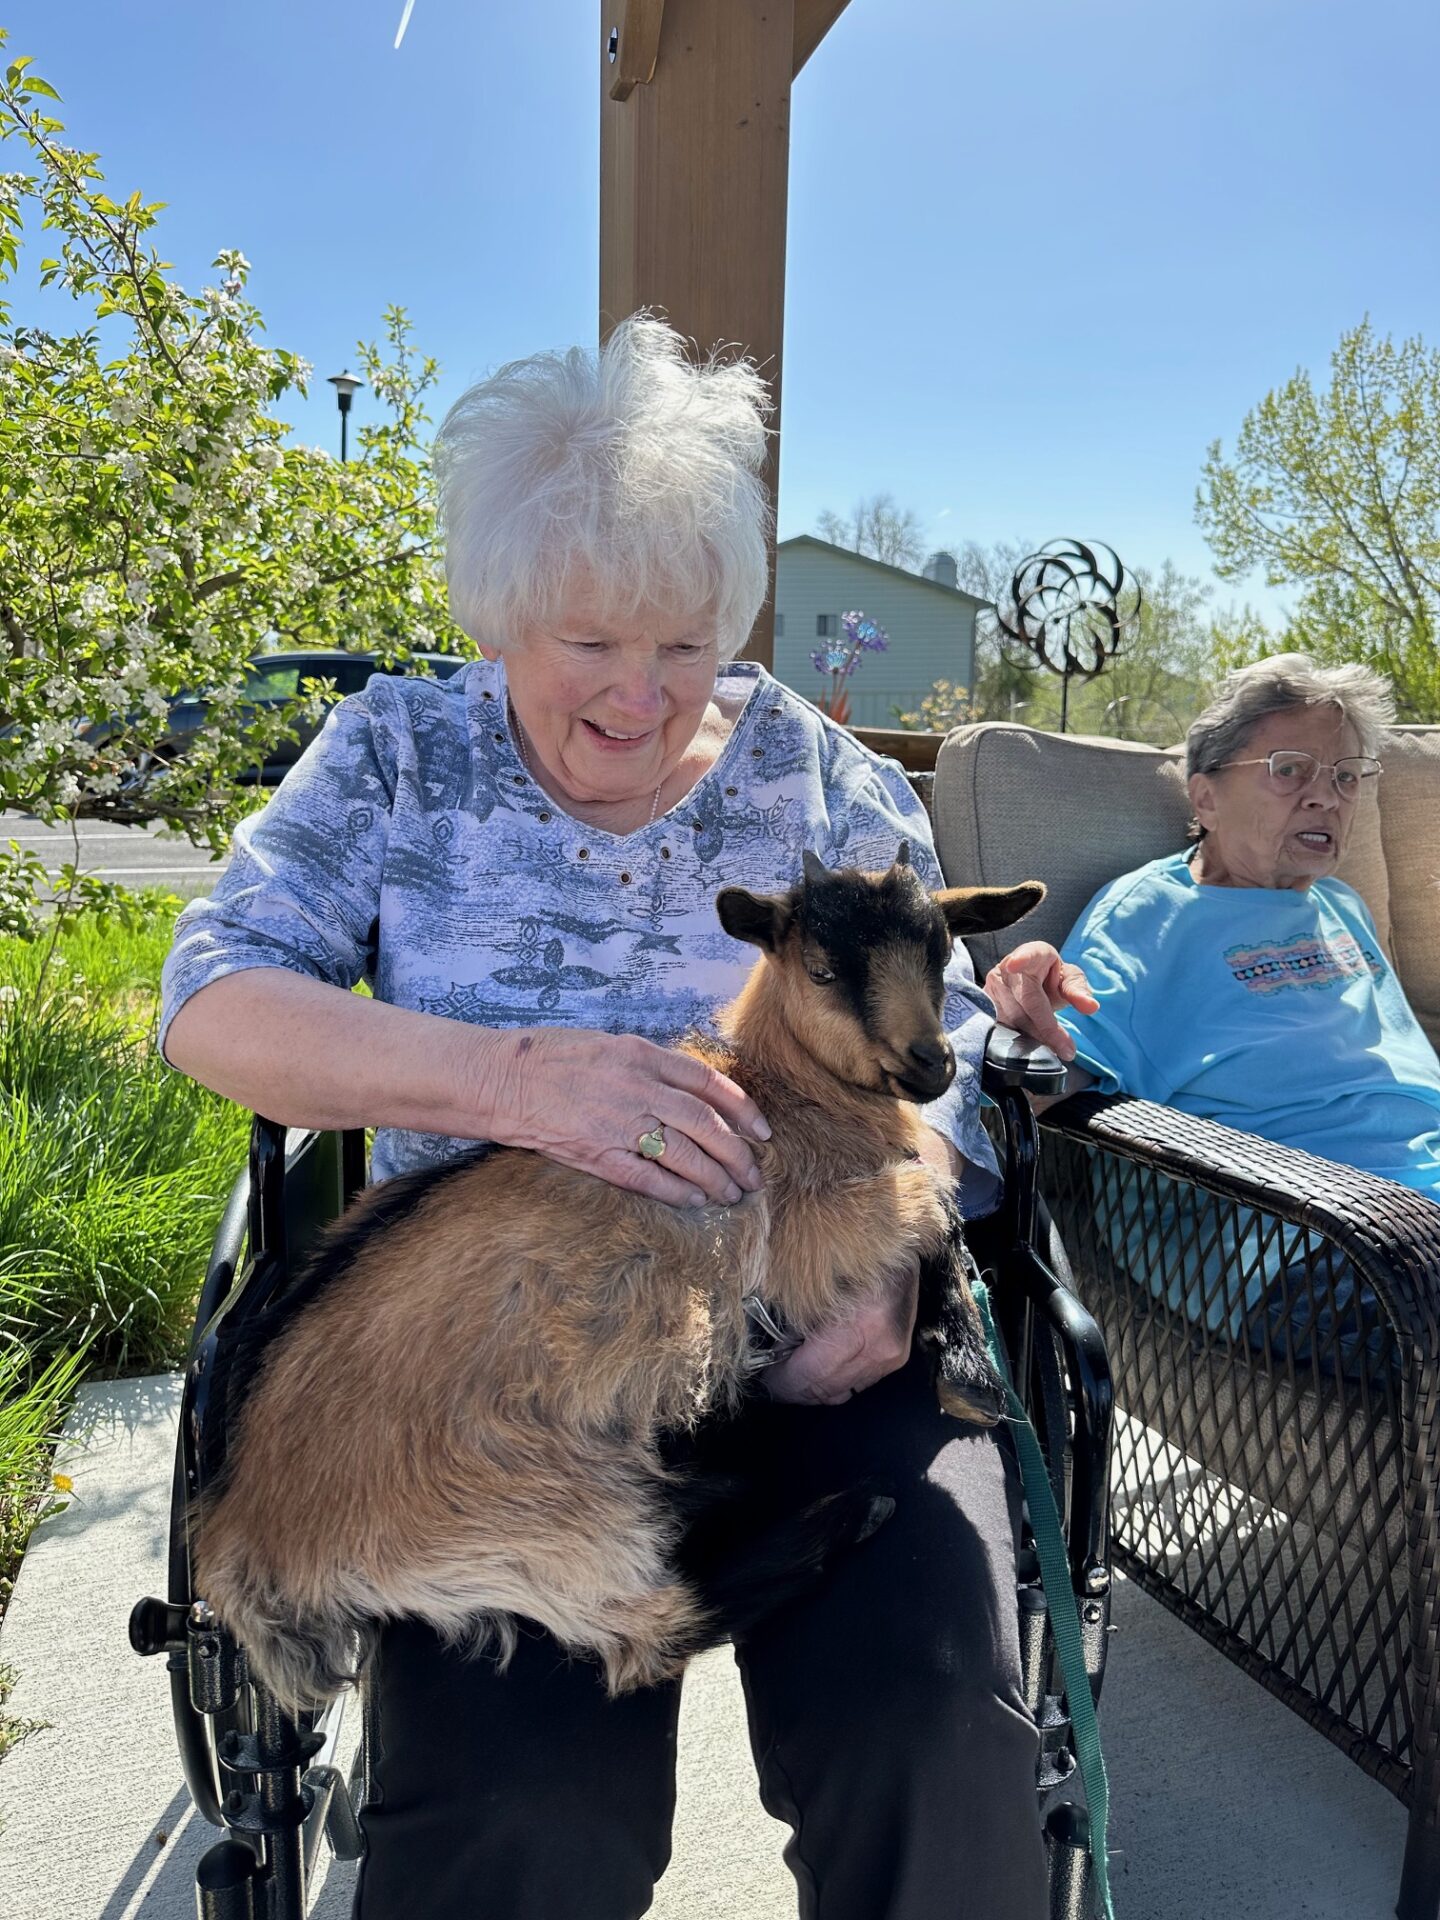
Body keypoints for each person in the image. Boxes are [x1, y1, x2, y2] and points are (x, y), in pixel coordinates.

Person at [161, 315, 1087, 1920]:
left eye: (685, 646)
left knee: (937, 1737)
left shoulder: (813, 772)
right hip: (501, 1368)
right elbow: (215, 1003)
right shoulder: (399, 754)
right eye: (588, 642)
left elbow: (946, 1080)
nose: (643, 699)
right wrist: (513, 1078)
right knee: (524, 1815)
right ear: (501, 614)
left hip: (821, 1344)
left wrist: (883, 1262)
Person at [1032, 653, 1437, 1374]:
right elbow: (1043, 1086)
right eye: (1291, 769)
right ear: (1206, 798)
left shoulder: (1341, 905)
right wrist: (1013, 1016)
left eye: (1346, 777)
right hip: (1298, 1234)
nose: (1327, 798)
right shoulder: (1149, 915)